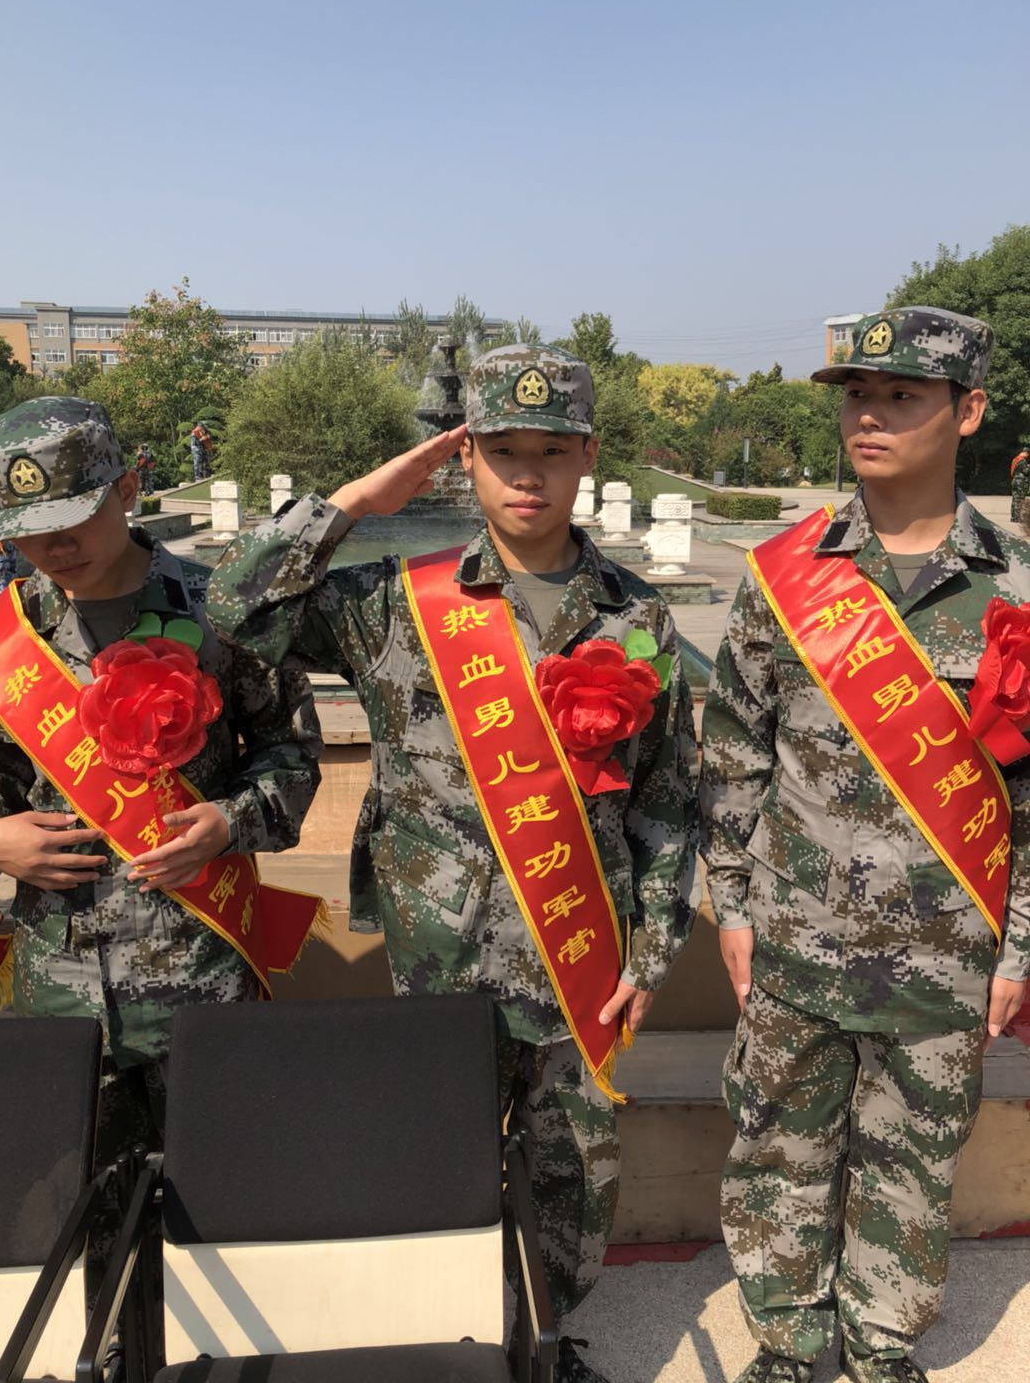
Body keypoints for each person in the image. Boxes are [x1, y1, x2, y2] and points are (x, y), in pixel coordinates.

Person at [207, 344, 700, 1383]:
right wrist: (357, 502)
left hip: (581, 950)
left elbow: (664, 802)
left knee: (571, 1170)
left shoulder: (636, 616)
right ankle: (461, 1337)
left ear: (587, 456)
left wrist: (653, 951)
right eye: (503, 451)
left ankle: (548, 1344)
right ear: (463, 456)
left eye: (552, 451)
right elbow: (233, 607)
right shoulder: (396, 600)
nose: (529, 475)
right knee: (439, 1155)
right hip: (439, 950)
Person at [700, 307, 1030, 1383]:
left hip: (947, 946)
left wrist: (1020, 946)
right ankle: (790, 1341)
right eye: (856, 395)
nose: (870, 416)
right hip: (796, 934)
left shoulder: (1017, 588)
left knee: (913, 1160)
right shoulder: (783, 574)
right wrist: (735, 906)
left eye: (901, 394)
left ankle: (884, 1342)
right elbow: (734, 756)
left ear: (968, 411)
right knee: (778, 1148)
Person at [0, 396, 323, 1294]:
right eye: (27, 529)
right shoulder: (5, 638)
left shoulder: (221, 610)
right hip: (59, 982)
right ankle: (110, 1339)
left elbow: (290, 754)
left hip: (202, 963)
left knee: (221, 1189)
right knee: (75, 1200)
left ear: (126, 489)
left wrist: (232, 821)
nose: (53, 546)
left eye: (74, 516)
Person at [1009, 442, 1030, 524]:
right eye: (1028, 454)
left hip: (1015, 481)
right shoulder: (1022, 461)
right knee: (1020, 499)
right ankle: (1018, 518)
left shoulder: (1016, 459)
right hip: (1020, 482)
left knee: (1015, 499)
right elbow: (1026, 471)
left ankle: (1014, 517)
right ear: (1026, 453)